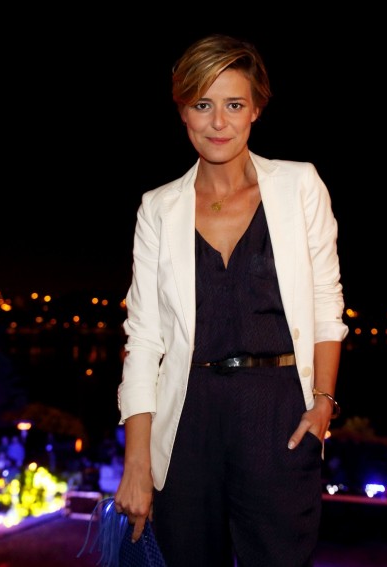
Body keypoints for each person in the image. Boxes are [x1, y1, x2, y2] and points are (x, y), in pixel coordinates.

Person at [113, 33, 349, 566]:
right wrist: (137, 463)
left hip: (279, 412)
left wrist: (322, 404)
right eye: (202, 104)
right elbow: (144, 339)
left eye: (234, 104)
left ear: (256, 109)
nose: (218, 122)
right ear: (182, 111)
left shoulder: (300, 186)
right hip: (187, 419)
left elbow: (325, 303)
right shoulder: (158, 208)